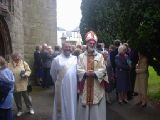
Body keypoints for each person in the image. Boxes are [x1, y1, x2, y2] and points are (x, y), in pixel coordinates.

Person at [77, 31, 106, 120]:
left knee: (96, 107)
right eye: (90, 43)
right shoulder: (81, 56)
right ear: (87, 43)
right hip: (85, 84)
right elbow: (78, 69)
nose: (92, 44)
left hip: (96, 85)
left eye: (94, 43)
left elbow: (103, 69)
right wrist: (85, 73)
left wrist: (95, 73)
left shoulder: (100, 56)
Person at [50, 42, 77, 120]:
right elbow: (53, 73)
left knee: (71, 103)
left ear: (71, 49)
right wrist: (58, 82)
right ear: (62, 48)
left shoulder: (75, 58)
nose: (68, 48)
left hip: (72, 86)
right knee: (62, 103)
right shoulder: (57, 59)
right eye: (66, 47)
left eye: (69, 47)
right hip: (62, 86)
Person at [8, 53, 34, 117]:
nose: (17, 59)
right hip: (15, 84)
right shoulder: (9, 64)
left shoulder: (23, 63)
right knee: (17, 98)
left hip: (23, 83)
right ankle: (20, 110)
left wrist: (26, 74)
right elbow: (7, 72)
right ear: (12, 58)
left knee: (26, 97)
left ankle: (30, 108)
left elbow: (29, 70)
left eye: (18, 57)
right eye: (15, 58)